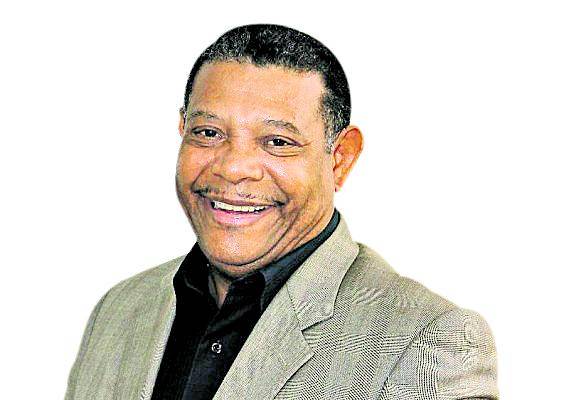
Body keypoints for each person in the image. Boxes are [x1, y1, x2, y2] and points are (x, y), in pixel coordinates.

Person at [65, 24, 498, 400]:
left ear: (340, 159)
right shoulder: (119, 309)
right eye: (208, 132)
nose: (233, 167)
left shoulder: (428, 341)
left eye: (277, 142)